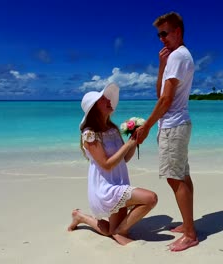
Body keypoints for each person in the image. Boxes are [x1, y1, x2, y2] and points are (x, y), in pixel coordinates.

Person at [134, 12, 198, 252]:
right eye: (159, 34)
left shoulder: (178, 57)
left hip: (173, 125)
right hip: (179, 124)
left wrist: (147, 126)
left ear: (178, 32)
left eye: (165, 33)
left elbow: (165, 101)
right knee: (183, 176)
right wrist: (161, 65)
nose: (161, 39)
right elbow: (159, 92)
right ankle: (188, 225)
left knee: (175, 178)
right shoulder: (178, 57)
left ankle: (190, 234)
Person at [67, 83, 158, 246]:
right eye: (103, 99)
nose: (108, 100)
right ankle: (120, 231)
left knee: (108, 230)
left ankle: (80, 216)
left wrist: (135, 141)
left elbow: (124, 158)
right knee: (150, 199)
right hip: (105, 187)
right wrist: (128, 145)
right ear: (95, 107)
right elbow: (106, 164)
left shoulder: (113, 129)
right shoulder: (90, 134)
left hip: (119, 182)